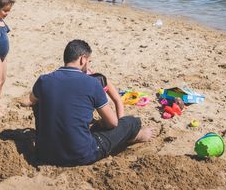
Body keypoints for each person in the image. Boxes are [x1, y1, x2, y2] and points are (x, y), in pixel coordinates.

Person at [28, 40, 156, 166]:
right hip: (80, 154)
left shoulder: (43, 80)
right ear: (82, 59)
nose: (88, 65)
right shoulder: (92, 83)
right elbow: (113, 123)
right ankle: (137, 136)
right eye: (88, 61)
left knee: (38, 102)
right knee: (131, 122)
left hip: (45, 153)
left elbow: (31, 101)